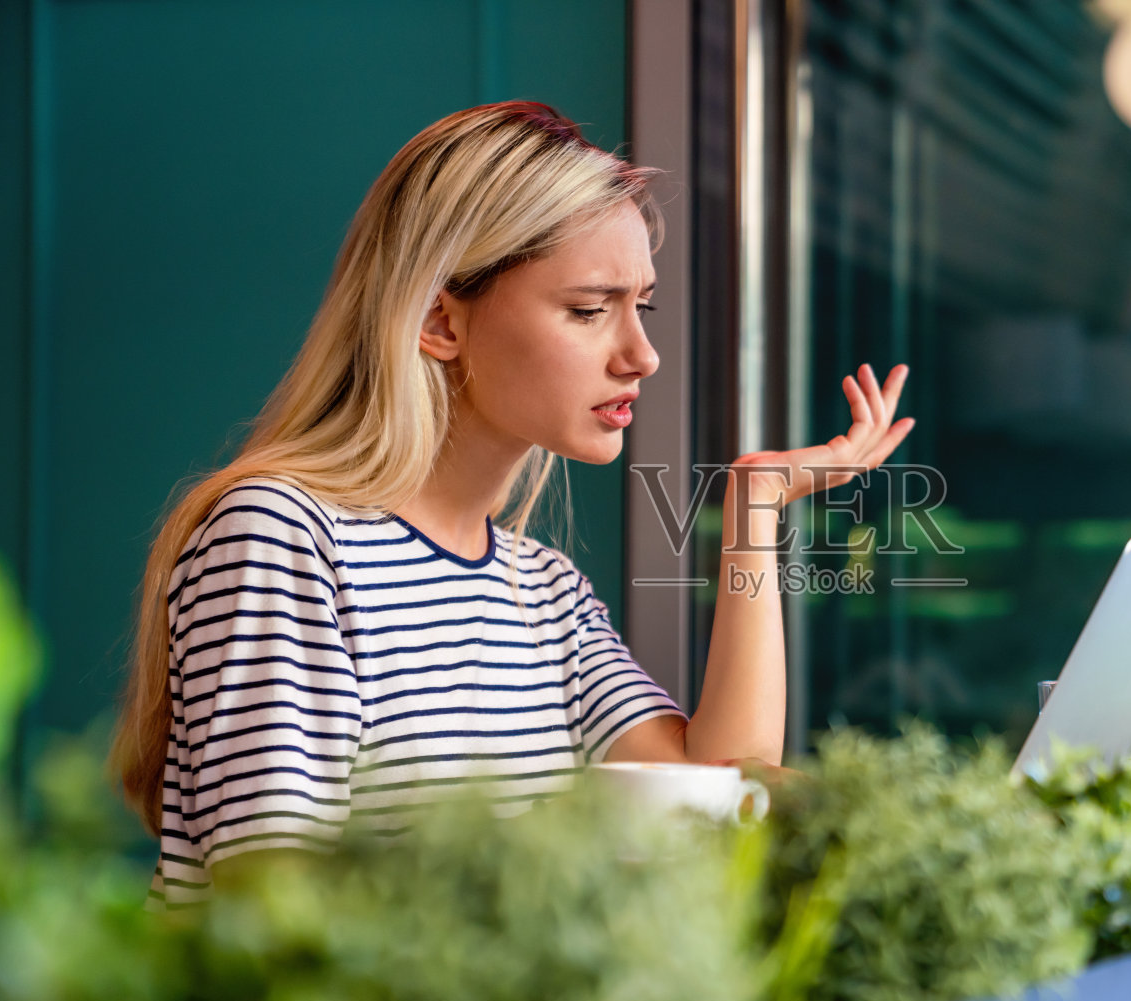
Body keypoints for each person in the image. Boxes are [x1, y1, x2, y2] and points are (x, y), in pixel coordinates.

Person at [108, 102, 915, 907]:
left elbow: (720, 784)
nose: (643, 353)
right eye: (590, 309)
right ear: (438, 320)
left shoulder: (544, 588)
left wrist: (754, 510)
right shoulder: (282, 536)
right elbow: (274, 904)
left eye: (644, 306)